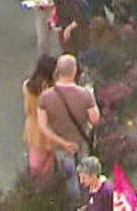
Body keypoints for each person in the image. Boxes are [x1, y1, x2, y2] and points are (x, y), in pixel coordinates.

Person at [36, 54, 99, 202]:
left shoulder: (45, 97)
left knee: (70, 177)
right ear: (75, 70)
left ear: (57, 71)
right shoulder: (85, 94)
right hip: (81, 142)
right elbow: (95, 119)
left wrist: (62, 142)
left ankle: (76, 204)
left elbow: (42, 126)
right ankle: (88, 202)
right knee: (86, 174)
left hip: (60, 146)